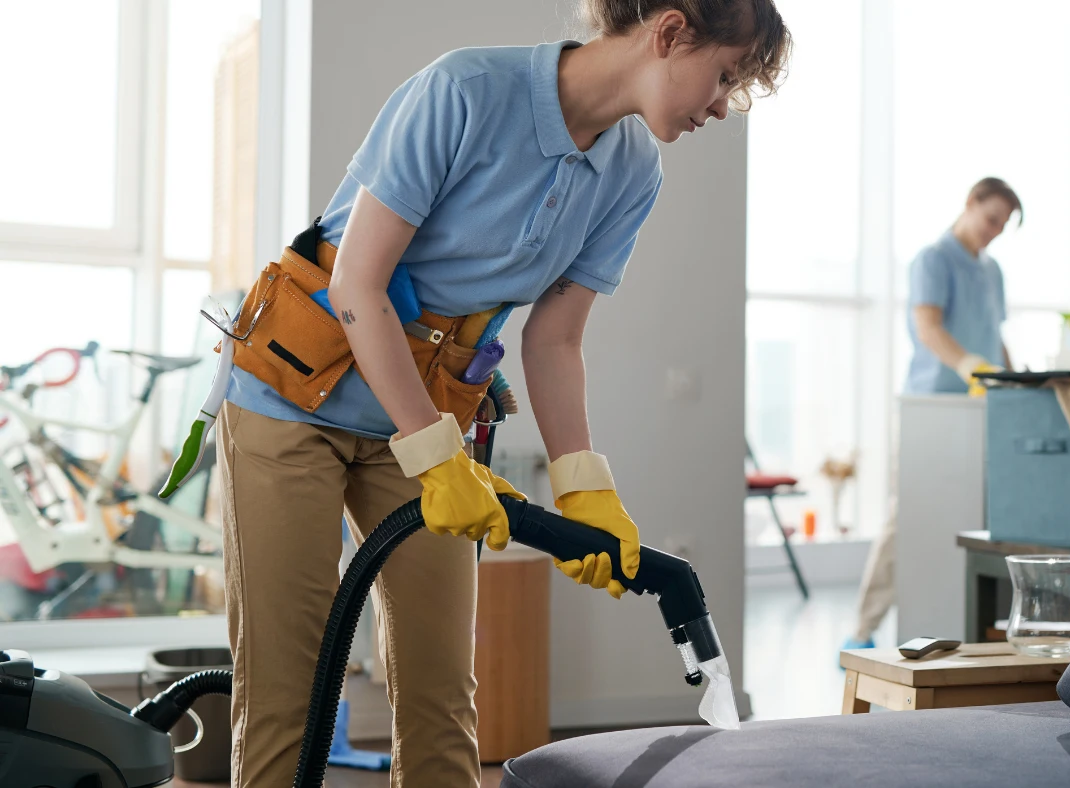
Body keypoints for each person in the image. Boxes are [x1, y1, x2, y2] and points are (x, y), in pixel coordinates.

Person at [215, 3, 790, 785]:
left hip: (426, 427)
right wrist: (435, 455)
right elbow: (358, 281)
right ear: (669, 31)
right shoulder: (467, 91)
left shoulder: (632, 172)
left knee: (441, 692)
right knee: (290, 689)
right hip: (291, 400)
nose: (723, 105)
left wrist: (584, 485)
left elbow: (553, 340)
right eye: (725, 75)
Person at [843, 177, 1022, 651]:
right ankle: (862, 629)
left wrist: (1012, 378)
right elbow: (928, 327)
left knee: (976, 514)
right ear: (970, 204)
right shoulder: (934, 259)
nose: (994, 231)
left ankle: (965, 621)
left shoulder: (993, 270)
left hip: (981, 408)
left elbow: (995, 334)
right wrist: (969, 365)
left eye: (1003, 226)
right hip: (933, 407)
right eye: (991, 219)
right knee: (907, 519)